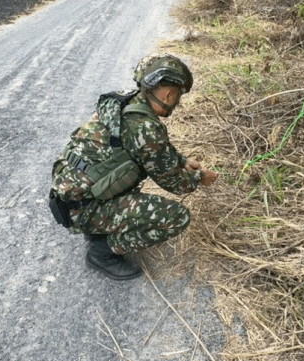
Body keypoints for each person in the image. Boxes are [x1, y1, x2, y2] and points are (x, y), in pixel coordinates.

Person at [49, 54, 218, 280]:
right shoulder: (146, 127)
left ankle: (97, 227)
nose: (176, 102)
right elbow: (176, 184)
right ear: (169, 94)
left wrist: (181, 160)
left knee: (129, 173)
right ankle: (102, 252)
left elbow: (144, 148)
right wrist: (200, 178)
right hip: (82, 208)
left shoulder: (125, 102)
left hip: (71, 196)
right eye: (177, 96)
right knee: (178, 217)